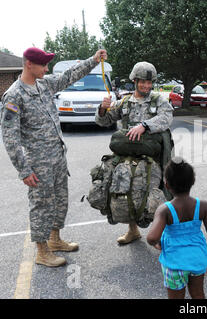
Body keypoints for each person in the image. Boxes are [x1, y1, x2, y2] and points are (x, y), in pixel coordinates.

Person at [1, 47, 107, 267]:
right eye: (43, 64)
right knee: (41, 206)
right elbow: (10, 138)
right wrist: (24, 170)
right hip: (37, 163)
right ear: (29, 64)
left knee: (60, 201)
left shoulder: (44, 84)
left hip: (57, 157)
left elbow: (69, 75)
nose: (47, 68)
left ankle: (55, 239)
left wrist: (94, 60)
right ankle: (41, 252)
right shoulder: (14, 95)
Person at [96, 61, 174, 245]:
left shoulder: (158, 101)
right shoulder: (124, 102)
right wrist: (102, 108)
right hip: (129, 158)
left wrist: (144, 126)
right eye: (143, 82)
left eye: (149, 82)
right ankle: (133, 230)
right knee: (128, 191)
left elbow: (166, 118)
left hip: (154, 158)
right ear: (135, 81)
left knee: (158, 193)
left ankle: (161, 235)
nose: (146, 86)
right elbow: (104, 121)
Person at [146, 158, 207, 299]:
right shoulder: (203, 206)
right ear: (192, 181)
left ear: (166, 184)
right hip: (197, 259)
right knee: (198, 294)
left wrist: (157, 245)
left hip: (174, 263)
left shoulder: (164, 210)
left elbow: (151, 237)